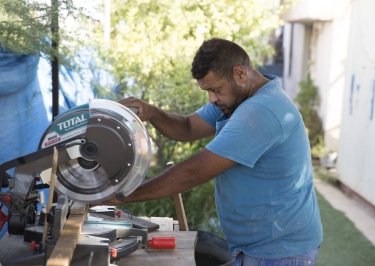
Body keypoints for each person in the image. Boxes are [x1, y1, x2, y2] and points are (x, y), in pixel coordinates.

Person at [113, 38, 323, 265]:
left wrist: (121, 195)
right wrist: (152, 112)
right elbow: (187, 127)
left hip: (280, 251)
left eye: (215, 90)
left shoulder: (262, 110)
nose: (212, 99)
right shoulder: (235, 100)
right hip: (259, 245)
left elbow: (195, 172)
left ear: (240, 74)